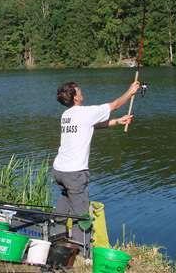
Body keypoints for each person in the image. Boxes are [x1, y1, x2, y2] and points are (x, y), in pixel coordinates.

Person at [52, 80, 140, 252]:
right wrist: (130, 92)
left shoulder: (66, 115)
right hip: (75, 173)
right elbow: (114, 105)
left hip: (59, 170)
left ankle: (57, 237)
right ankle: (83, 252)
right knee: (82, 214)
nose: (81, 90)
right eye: (79, 90)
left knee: (64, 201)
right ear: (75, 97)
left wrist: (117, 122)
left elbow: (91, 125)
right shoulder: (86, 112)